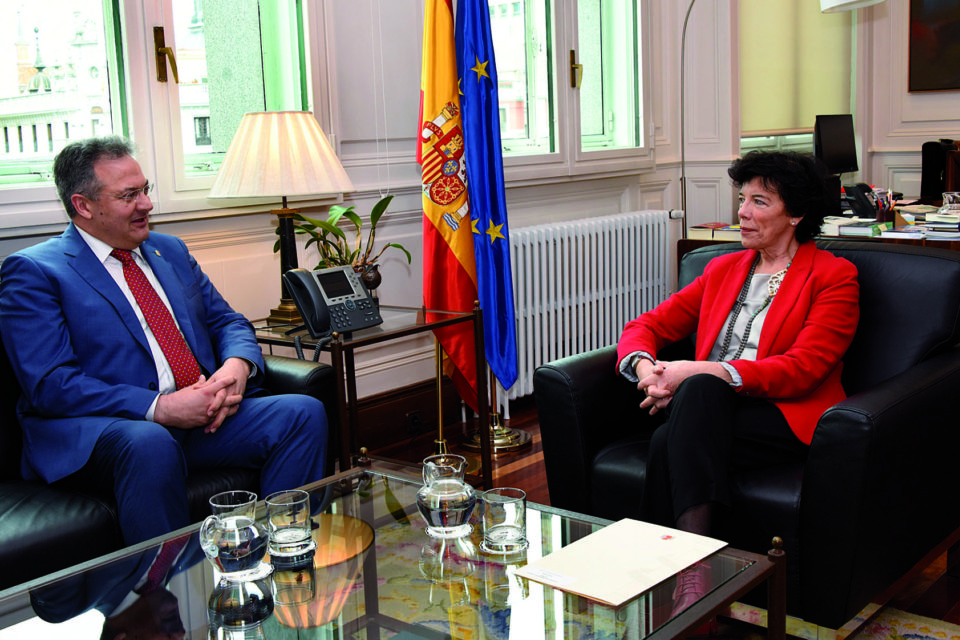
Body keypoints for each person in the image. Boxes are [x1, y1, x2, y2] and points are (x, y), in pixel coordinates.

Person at [0, 136, 328, 546]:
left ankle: (277, 552)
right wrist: (160, 408)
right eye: (129, 195)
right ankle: (166, 594)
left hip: (200, 417)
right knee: (150, 440)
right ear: (83, 205)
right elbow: (51, 385)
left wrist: (236, 368)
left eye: (146, 189)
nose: (147, 205)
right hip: (110, 432)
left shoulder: (168, 251)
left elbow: (228, 321)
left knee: (302, 413)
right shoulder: (35, 271)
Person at [616, 150, 859, 612]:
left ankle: (664, 568)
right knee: (694, 405)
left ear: (797, 213)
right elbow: (645, 326)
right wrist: (649, 370)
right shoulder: (722, 269)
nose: (743, 213)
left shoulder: (833, 276)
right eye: (742, 198)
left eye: (760, 202)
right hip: (707, 410)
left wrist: (697, 372)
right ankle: (694, 583)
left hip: (785, 415)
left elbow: (805, 367)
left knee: (677, 426)